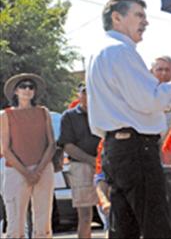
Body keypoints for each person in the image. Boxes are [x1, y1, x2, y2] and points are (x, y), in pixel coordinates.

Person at [86, 0, 171, 238]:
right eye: (139, 15)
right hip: (135, 149)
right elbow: (154, 99)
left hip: (116, 148)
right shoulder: (119, 52)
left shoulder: (99, 52)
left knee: (125, 228)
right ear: (117, 18)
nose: (146, 22)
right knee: (155, 226)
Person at [0, 73, 55, 238]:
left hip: (43, 169)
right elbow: (6, 149)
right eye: (23, 86)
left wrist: (37, 171)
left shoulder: (43, 112)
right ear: (15, 91)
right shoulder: (6, 115)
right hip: (16, 170)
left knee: (43, 222)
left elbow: (52, 144)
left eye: (31, 86)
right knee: (15, 224)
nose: (27, 89)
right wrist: (27, 173)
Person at [58, 83, 100, 238]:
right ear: (78, 94)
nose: (88, 95)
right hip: (80, 167)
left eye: (92, 91)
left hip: (106, 166)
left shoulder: (104, 113)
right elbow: (67, 145)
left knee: (114, 214)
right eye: (84, 92)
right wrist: (92, 161)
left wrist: (101, 162)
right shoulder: (69, 116)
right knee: (85, 216)